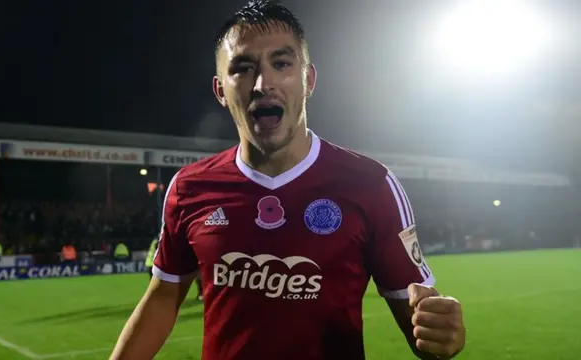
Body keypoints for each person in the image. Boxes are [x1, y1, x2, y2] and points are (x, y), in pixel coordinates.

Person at [109, 1, 466, 360]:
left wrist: (442, 334)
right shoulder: (189, 188)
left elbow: (420, 320)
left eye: (281, 64)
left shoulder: (372, 185)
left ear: (308, 79)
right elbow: (163, 296)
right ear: (220, 91)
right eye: (243, 68)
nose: (264, 84)